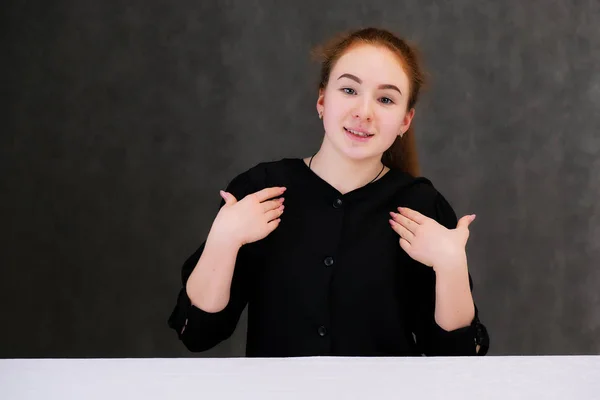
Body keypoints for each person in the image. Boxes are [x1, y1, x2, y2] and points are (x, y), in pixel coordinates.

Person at [168, 27, 489, 357]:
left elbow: (457, 359)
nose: (364, 112)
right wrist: (224, 238)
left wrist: (450, 265)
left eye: (386, 99)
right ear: (322, 100)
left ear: (405, 121)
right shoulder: (260, 191)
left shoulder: (420, 206)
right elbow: (198, 333)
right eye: (349, 90)